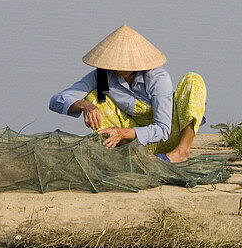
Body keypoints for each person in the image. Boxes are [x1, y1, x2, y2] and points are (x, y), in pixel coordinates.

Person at [48, 25, 206, 163]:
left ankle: (180, 152)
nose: (115, 67)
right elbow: (57, 100)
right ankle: (128, 154)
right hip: (132, 141)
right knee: (94, 97)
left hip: (169, 135)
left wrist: (123, 132)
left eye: (122, 63)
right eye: (112, 61)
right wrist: (85, 105)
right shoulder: (103, 76)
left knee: (193, 80)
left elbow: (163, 130)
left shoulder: (157, 78)